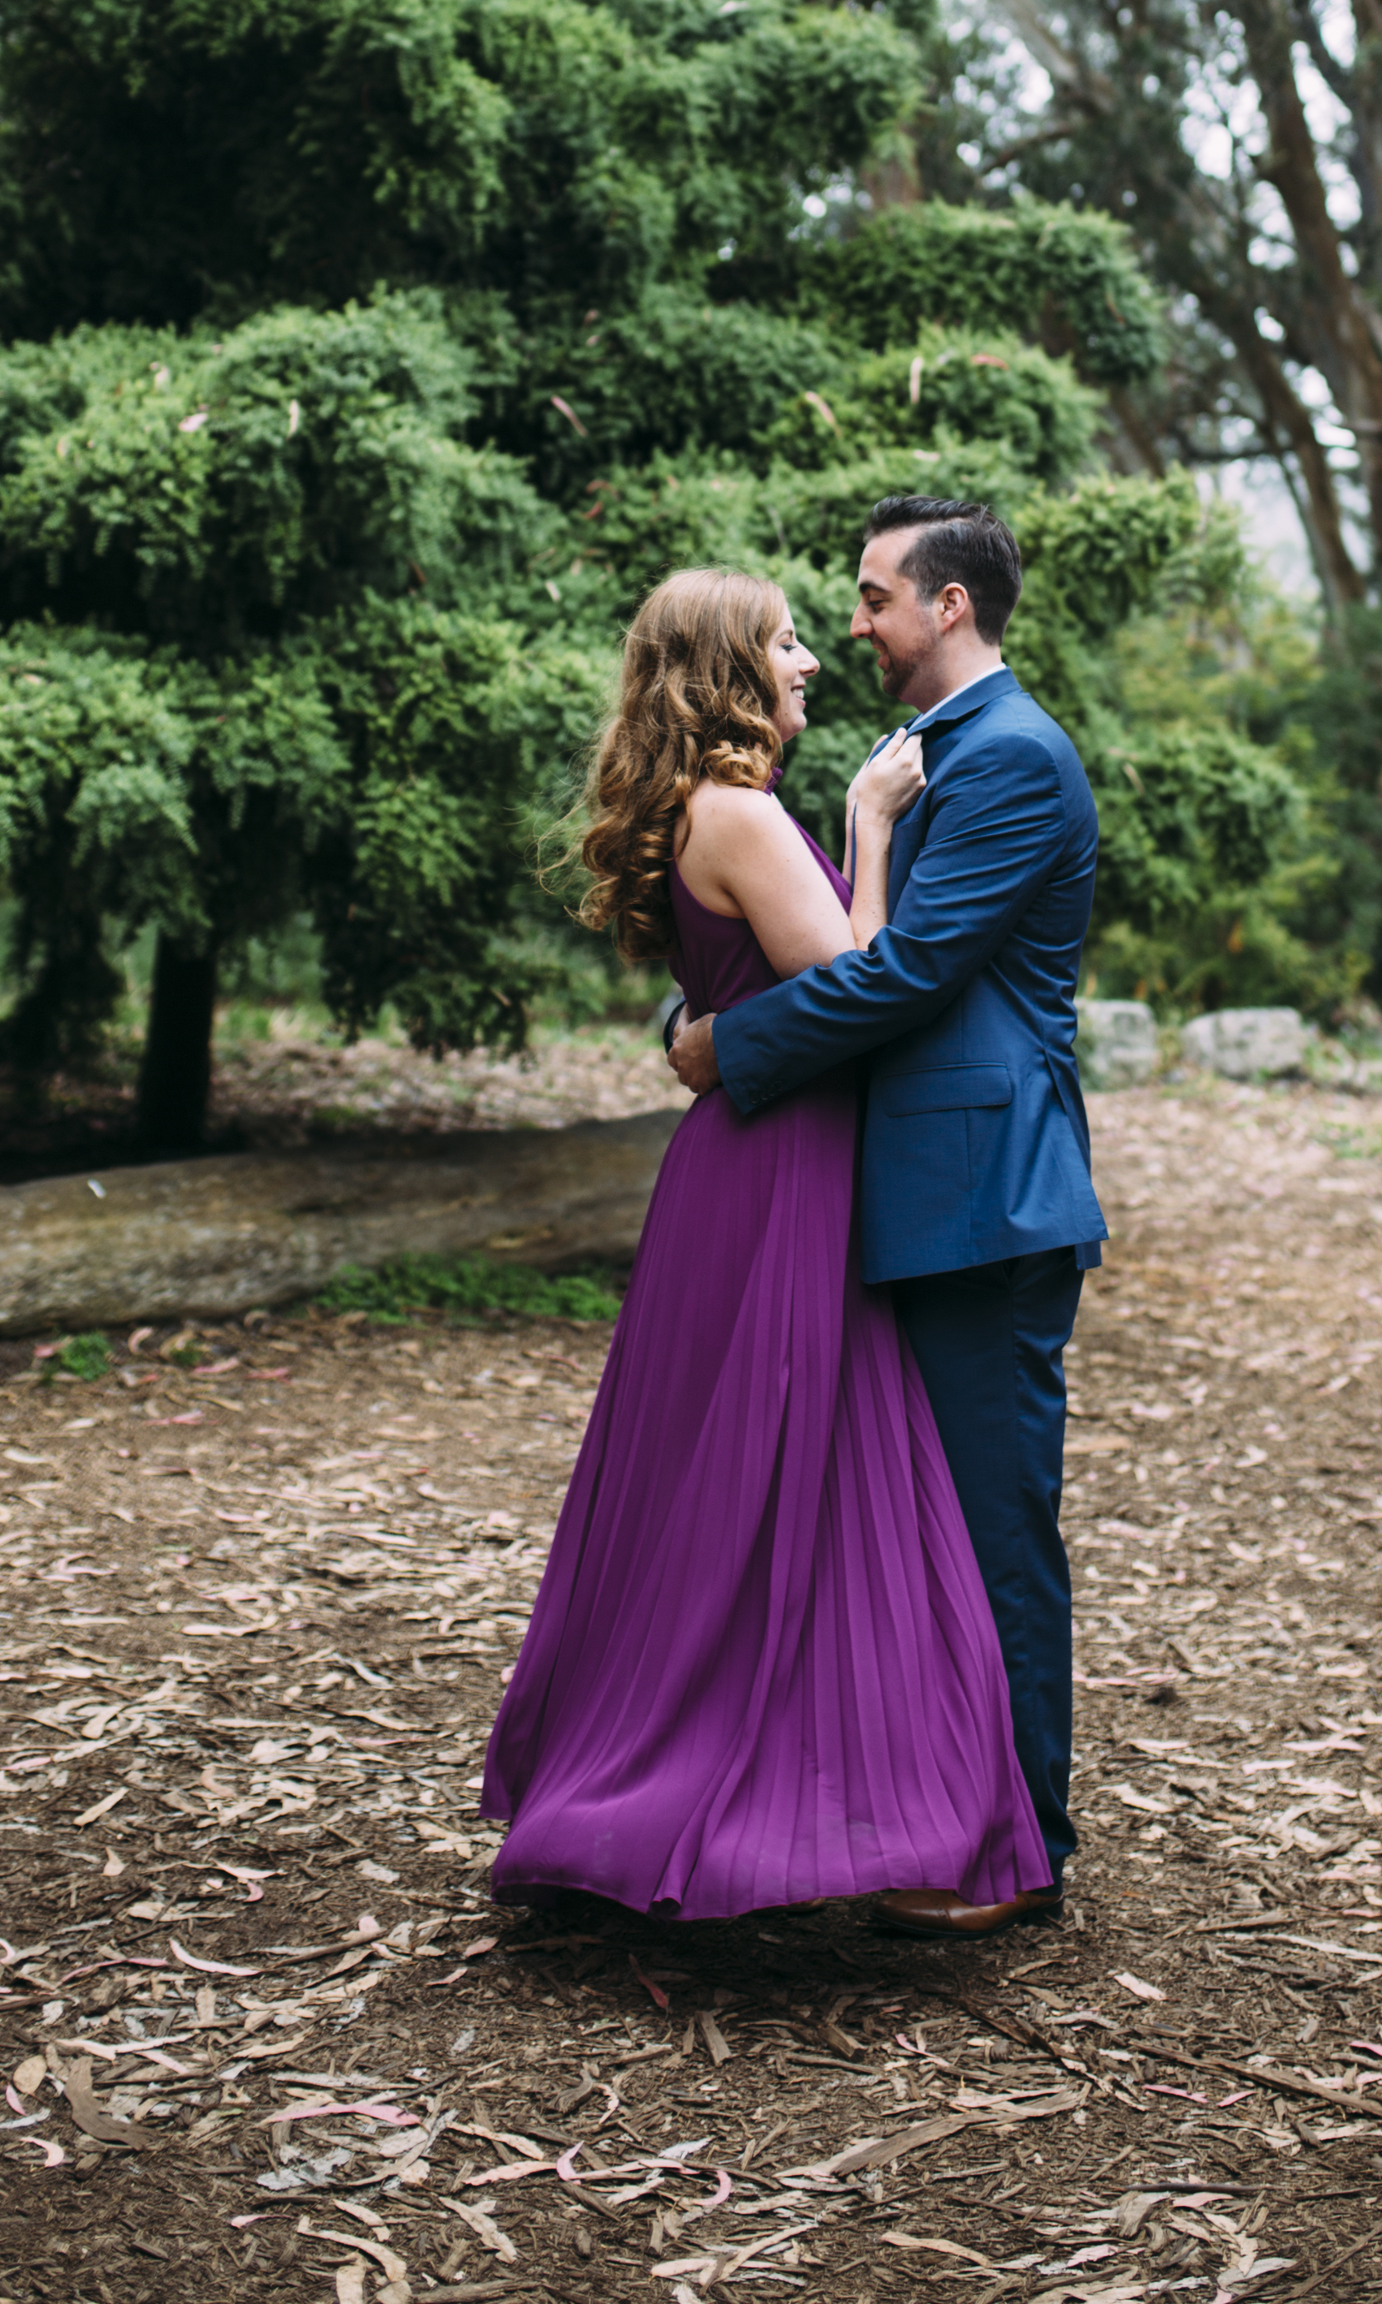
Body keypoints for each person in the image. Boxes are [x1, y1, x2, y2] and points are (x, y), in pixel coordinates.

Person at [480, 565, 1053, 1922]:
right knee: (775, 1477)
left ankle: (747, 1761)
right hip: (783, 1164)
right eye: (787, 642)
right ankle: (747, 1795)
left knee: (722, 1482)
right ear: (729, 672)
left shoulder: (711, 808)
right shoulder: (739, 812)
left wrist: (709, 1029)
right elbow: (855, 974)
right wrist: (866, 820)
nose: (810, 660)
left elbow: (727, 990)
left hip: (743, 1159)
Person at [667, 494, 1104, 1935]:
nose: (850, 622)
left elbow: (904, 973)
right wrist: (703, 1003)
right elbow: (806, 927)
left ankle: (1022, 1843)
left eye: (871, 596)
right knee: (900, 1532)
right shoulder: (914, 756)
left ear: (951, 606)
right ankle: (920, 1813)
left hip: (984, 1198)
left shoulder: (1017, 763)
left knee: (989, 1528)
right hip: (892, 1194)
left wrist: (725, 1050)